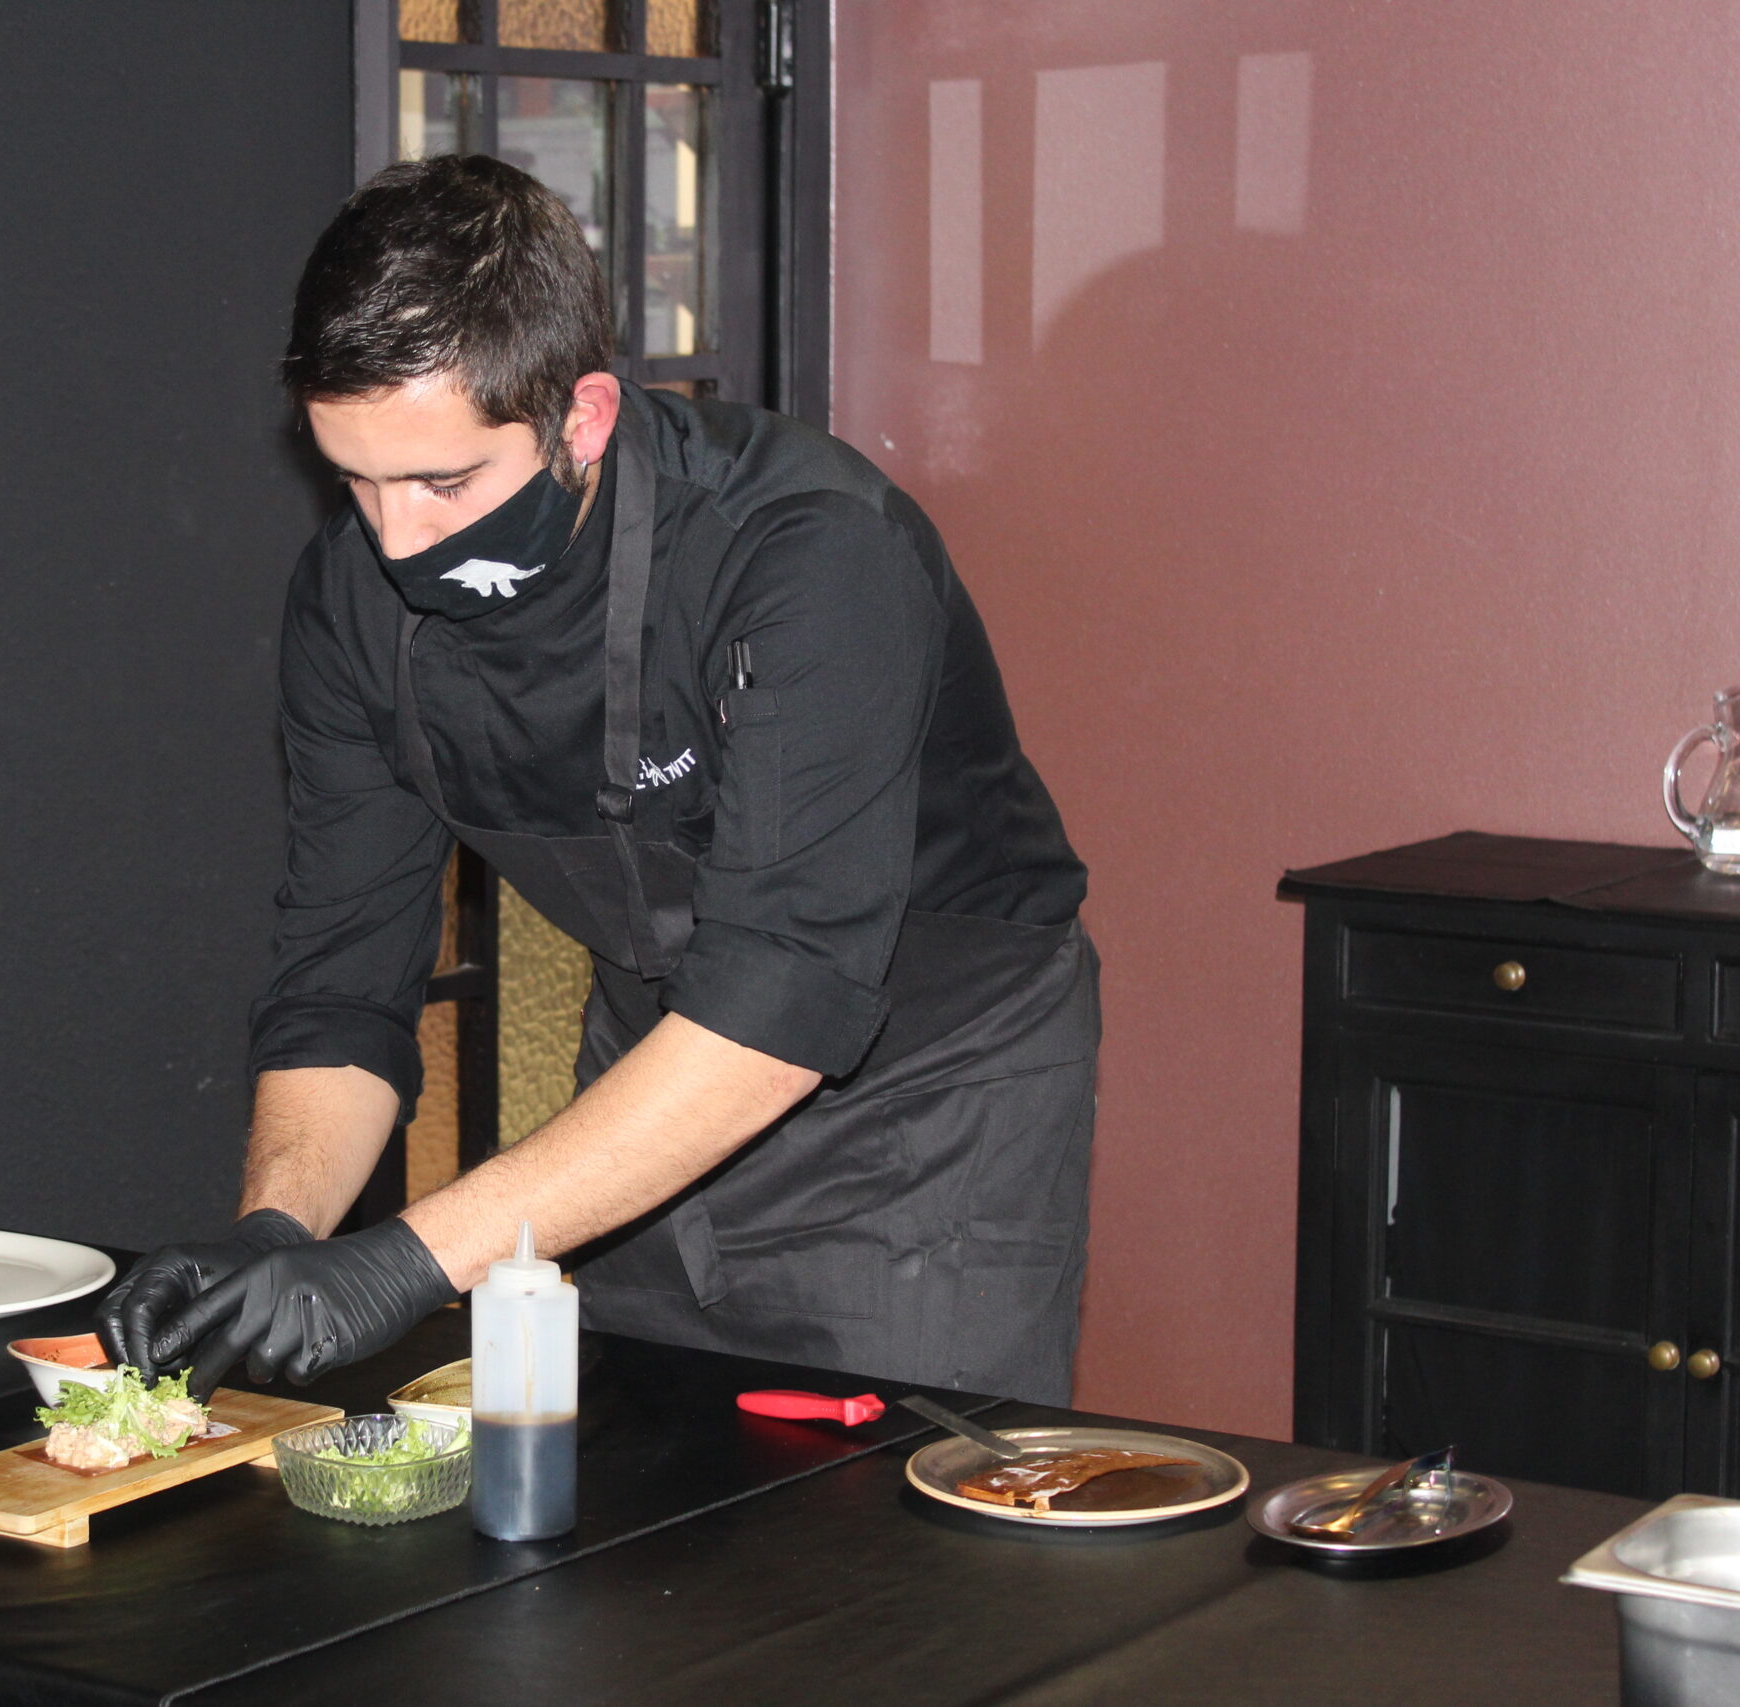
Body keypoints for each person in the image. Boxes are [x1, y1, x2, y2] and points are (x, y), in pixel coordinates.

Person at [96, 155, 1098, 1406]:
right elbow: (341, 976)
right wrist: (277, 1229)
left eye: (444, 483)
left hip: (928, 1091)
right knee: (635, 1479)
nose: (396, 540)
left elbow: (784, 997)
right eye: (354, 480)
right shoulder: (349, 598)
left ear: (583, 417)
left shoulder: (808, 552)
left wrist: (400, 1266)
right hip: (651, 1062)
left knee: (884, 1508)